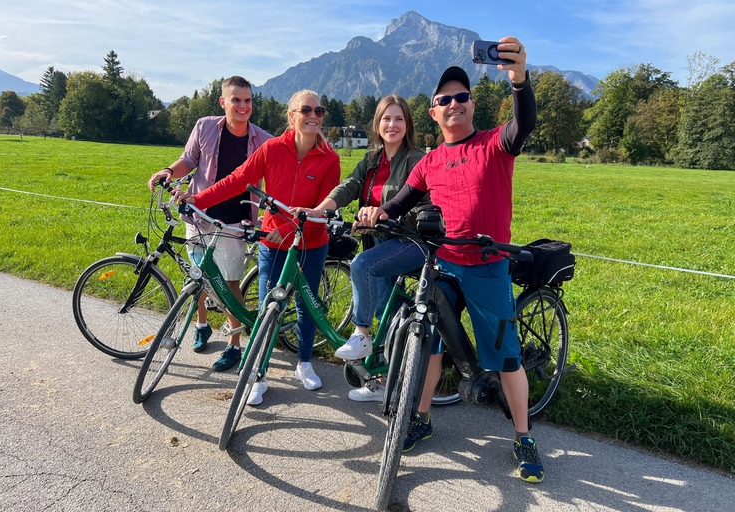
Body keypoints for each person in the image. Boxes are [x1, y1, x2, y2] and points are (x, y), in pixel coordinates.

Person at [357, 37, 544, 482]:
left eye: (461, 97)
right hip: (442, 265)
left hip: (486, 266)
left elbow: (524, 125)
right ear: (434, 112)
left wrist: (519, 80)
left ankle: (524, 437)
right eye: (445, 100)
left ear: (472, 105)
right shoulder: (431, 159)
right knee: (429, 343)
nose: (454, 104)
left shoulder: (494, 145)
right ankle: (420, 419)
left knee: (506, 358)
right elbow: (400, 201)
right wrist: (376, 213)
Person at [172, 90, 340, 406]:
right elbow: (238, 180)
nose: (314, 115)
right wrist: (200, 199)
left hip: (310, 242)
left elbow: (322, 206)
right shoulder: (272, 148)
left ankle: (304, 363)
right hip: (272, 242)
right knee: (266, 308)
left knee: (306, 303)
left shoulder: (330, 158)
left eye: (320, 110)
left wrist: (290, 227)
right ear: (292, 116)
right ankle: (258, 373)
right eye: (306, 109)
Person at [292, 94, 432, 403]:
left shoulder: (418, 159)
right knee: (387, 311)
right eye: (386, 119)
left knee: (361, 266)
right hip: (379, 244)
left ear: (407, 124)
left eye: (398, 119)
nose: (392, 125)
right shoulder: (370, 160)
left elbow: (423, 204)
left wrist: (382, 215)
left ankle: (362, 336)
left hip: (412, 242)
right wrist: (320, 210)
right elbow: (348, 187)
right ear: (377, 124)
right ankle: (384, 378)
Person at [148, 76, 272, 372]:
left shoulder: (263, 140)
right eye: (236, 100)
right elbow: (188, 160)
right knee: (198, 277)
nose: (243, 106)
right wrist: (167, 171)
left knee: (229, 285)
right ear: (223, 102)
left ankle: (234, 344)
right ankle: (201, 325)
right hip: (198, 216)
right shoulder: (205, 126)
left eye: (248, 100)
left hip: (234, 221)